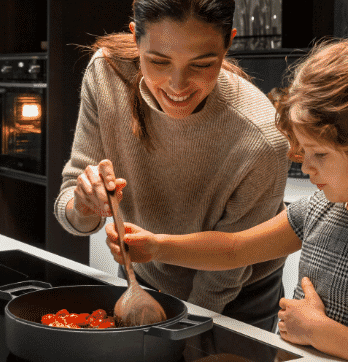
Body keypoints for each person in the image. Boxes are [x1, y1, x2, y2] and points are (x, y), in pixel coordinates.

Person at [107, 38, 348, 362]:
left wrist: (319, 332)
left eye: (320, 155)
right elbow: (235, 249)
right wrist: (156, 246)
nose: (308, 170)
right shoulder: (321, 210)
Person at [53, 0, 291, 334]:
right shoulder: (106, 75)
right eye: (158, 61)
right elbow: (72, 215)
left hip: (238, 295)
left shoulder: (261, 136)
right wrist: (84, 204)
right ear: (136, 38)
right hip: (145, 273)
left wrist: (178, 335)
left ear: (228, 44)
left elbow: (227, 266)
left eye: (202, 64)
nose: (177, 86)